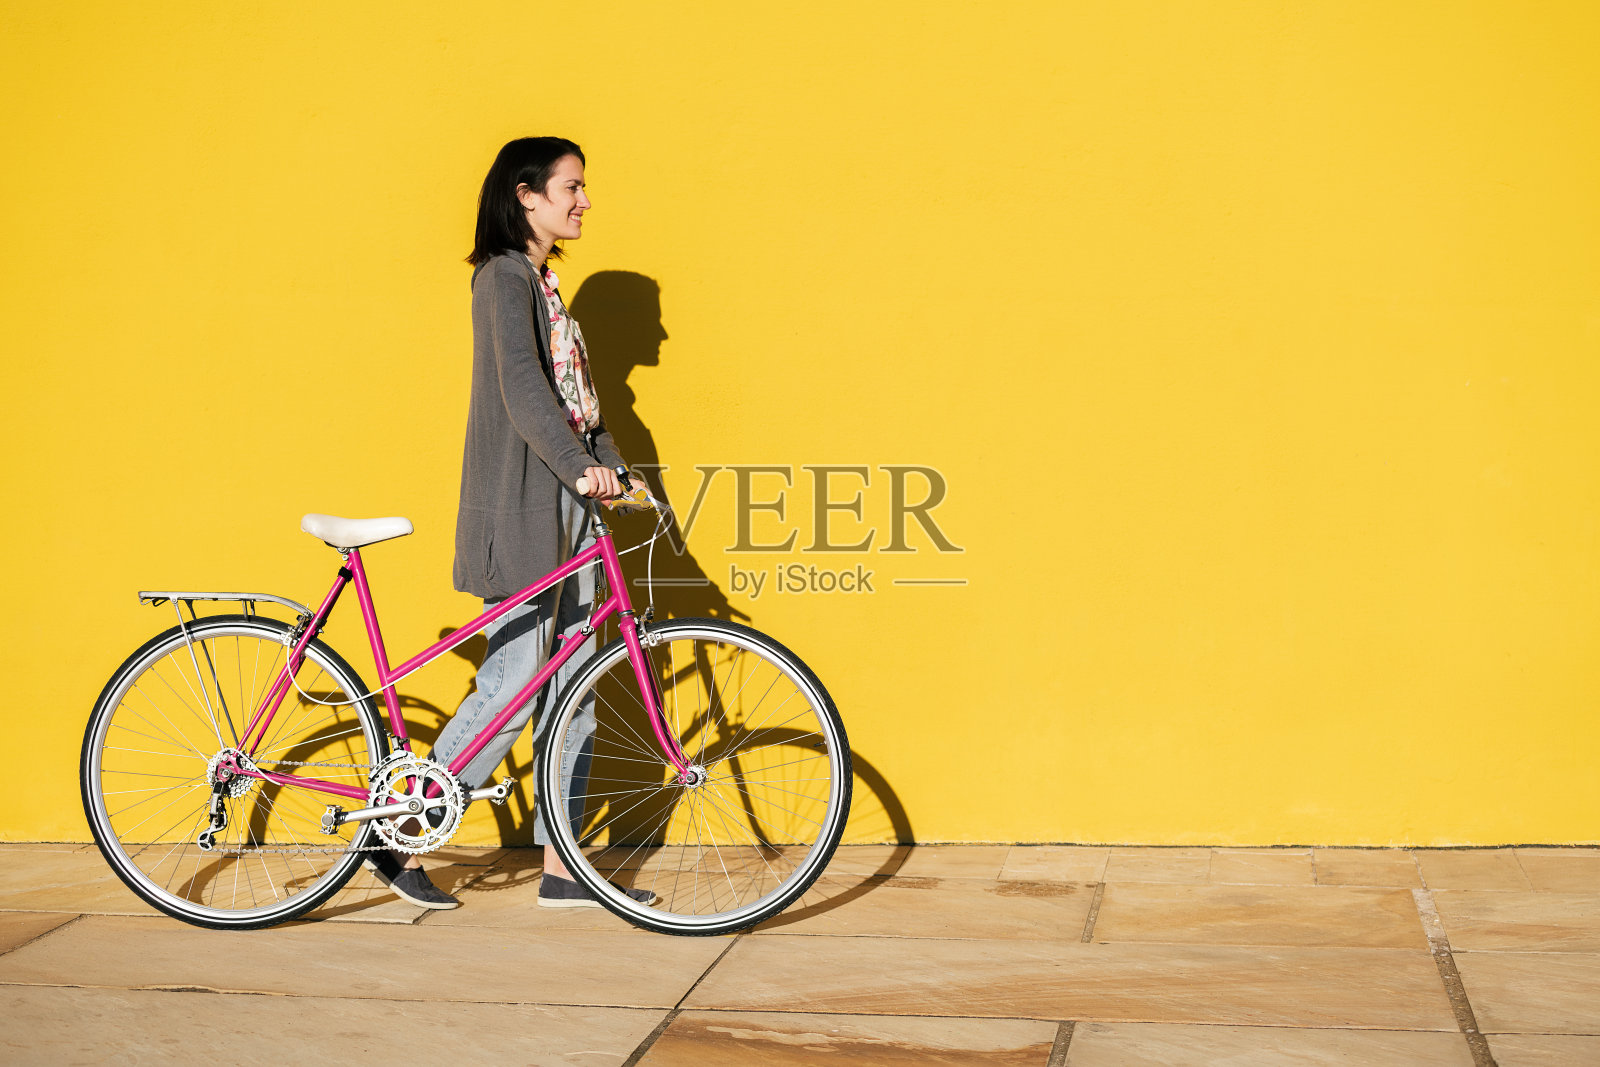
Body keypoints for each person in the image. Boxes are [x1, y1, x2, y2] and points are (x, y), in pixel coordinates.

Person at [364, 136, 652, 911]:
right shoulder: (502, 277)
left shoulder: (546, 288)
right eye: (571, 186)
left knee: (576, 689)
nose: (584, 200)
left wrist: (614, 469)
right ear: (526, 195)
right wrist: (580, 466)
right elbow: (524, 390)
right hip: (524, 508)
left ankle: (565, 864)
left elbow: (580, 408)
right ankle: (395, 833)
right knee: (516, 679)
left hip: (571, 513)